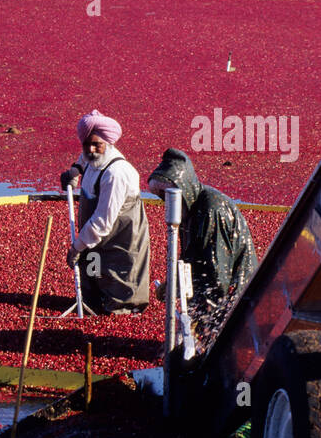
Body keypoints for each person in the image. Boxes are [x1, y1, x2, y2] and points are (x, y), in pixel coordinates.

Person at [60, 110, 150, 314]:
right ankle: (94, 300)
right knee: (94, 264)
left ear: (108, 144)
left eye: (96, 145)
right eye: (86, 145)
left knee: (121, 273)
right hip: (96, 235)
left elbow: (102, 221)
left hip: (120, 235)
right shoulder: (91, 158)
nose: (91, 150)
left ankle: (125, 307)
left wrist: (76, 247)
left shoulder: (116, 173)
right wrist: (74, 171)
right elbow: (84, 160)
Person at [147, 148, 258, 312]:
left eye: (169, 195)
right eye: (163, 198)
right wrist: (172, 285)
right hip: (216, 286)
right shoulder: (190, 208)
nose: (167, 203)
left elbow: (217, 276)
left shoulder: (211, 211)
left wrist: (206, 316)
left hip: (236, 296)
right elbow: (191, 258)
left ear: (182, 188)